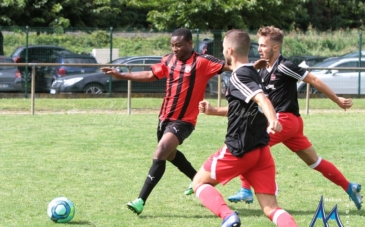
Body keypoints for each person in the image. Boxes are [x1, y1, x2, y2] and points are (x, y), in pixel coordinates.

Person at [226, 26, 362, 210]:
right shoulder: (263, 68)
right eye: (258, 45)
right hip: (291, 125)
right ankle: (349, 186)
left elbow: (314, 80)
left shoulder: (285, 66)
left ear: (275, 48)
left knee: (251, 144)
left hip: (285, 120)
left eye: (263, 46)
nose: (259, 49)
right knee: (315, 162)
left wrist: (336, 99)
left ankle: (247, 189)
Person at [101, 28, 232, 215]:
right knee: (170, 155)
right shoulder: (168, 60)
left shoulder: (202, 62)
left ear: (189, 44)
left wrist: (258, 67)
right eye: (172, 45)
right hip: (164, 119)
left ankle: (140, 200)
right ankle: (198, 180)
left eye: (178, 45)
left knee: (161, 151)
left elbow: (232, 66)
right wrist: (121, 75)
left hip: (184, 121)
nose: (175, 49)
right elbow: (150, 75)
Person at [193, 29, 298, 227]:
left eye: (223, 49)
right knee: (271, 208)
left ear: (230, 50)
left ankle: (228, 216)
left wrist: (273, 118)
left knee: (199, 183)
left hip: (239, 148)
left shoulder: (239, 76)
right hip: (261, 150)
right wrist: (214, 111)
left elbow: (261, 98)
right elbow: (241, 107)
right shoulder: (252, 71)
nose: (223, 52)